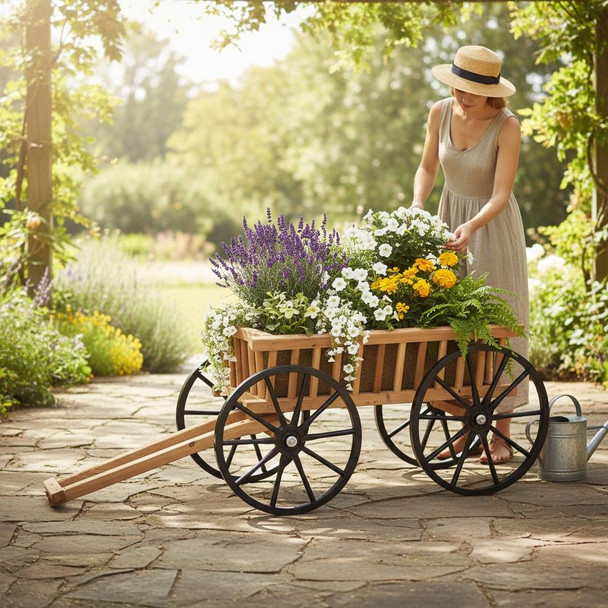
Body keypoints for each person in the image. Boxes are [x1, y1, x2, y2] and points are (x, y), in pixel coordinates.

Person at [411, 45, 529, 464]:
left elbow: (501, 193)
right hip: (448, 218)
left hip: (491, 226)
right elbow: (428, 166)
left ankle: (500, 436)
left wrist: (474, 226)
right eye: (459, 87)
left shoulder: (507, 126)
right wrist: (418, 204)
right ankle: (466, 428)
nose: (463, 97)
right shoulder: (440, 111)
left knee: (497, 323)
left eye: (473, 91)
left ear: (493, 90)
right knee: (455, 324)